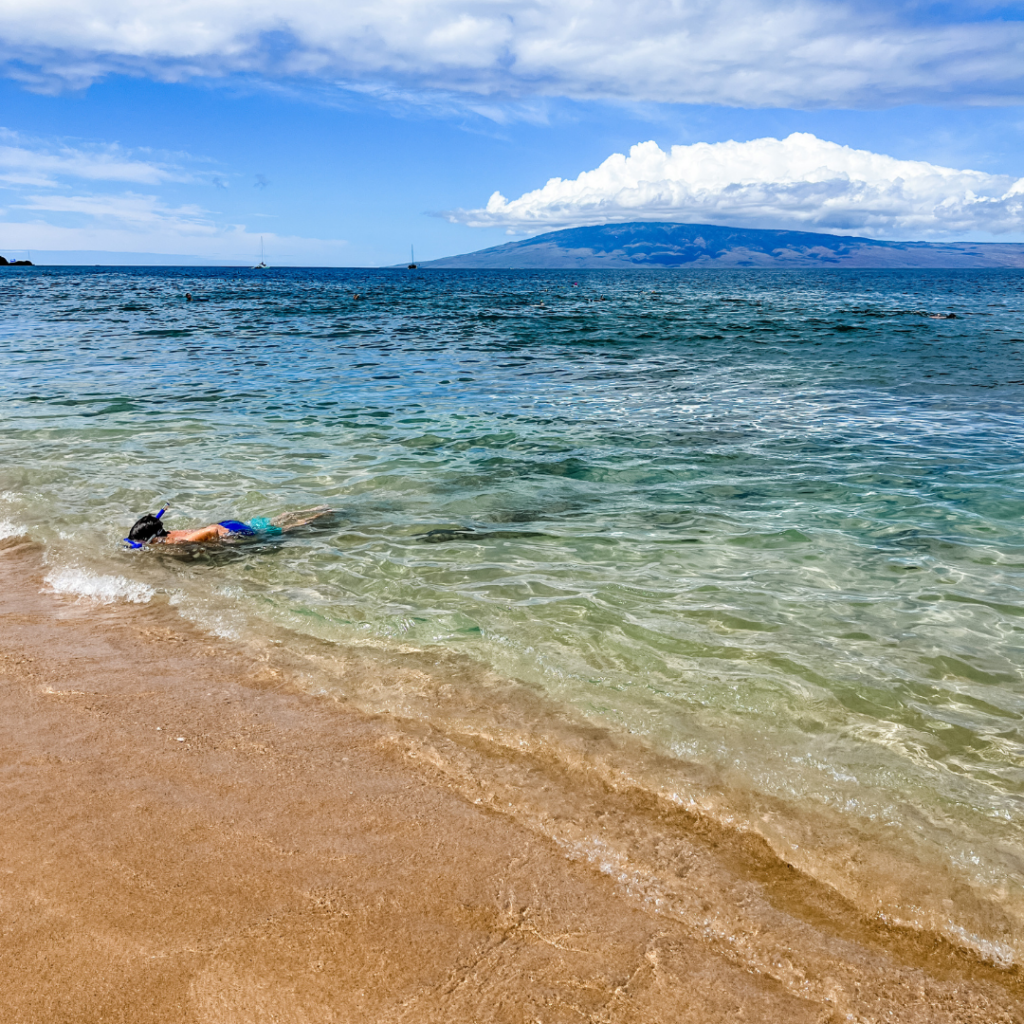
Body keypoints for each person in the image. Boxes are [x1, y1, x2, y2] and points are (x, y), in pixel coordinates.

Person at [125, 505, 330, 547]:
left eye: (142, 543)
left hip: (234, 531)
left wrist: (217, 545)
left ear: (154, 538)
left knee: (287, 530)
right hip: (228, 524)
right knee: (277, 520)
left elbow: (211, 531)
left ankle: (319, 517)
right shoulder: (169, 534)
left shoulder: (178, 540)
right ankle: (318, 508)